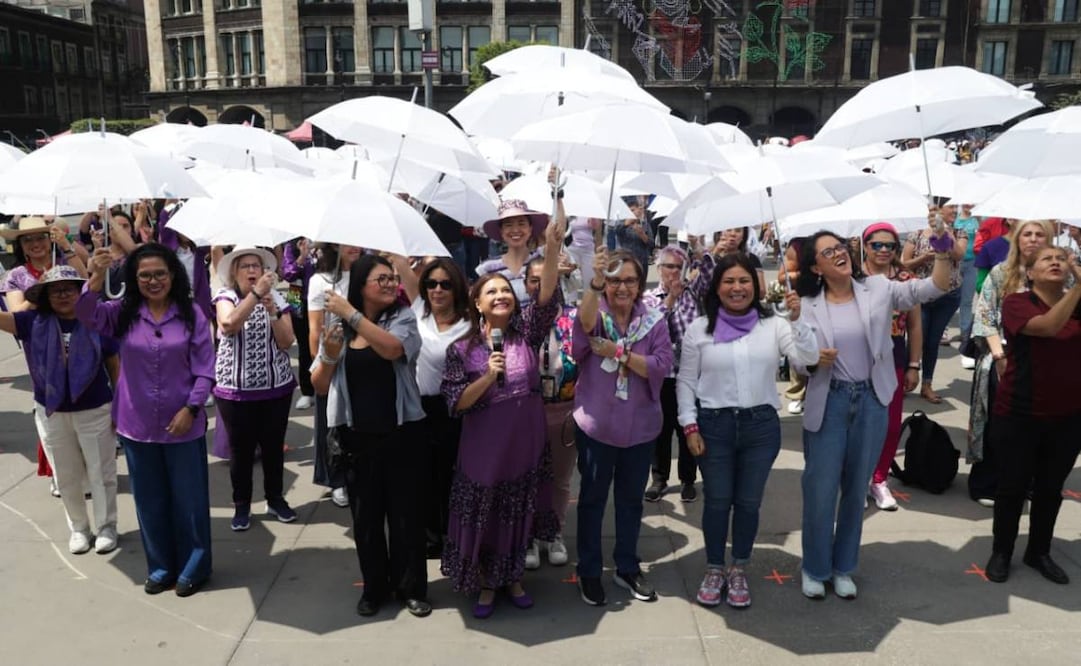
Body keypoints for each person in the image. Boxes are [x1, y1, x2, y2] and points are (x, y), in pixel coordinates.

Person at [793, 229, 954, 600]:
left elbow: (933, 288)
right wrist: (813, 359)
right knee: (819, 490)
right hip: (829, 401)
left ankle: (843, 567)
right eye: (827, 252)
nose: (838, 254)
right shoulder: (805, 303)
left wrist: (943, 250)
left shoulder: (879, 289)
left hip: (870, 401)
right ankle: (815, 568)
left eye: (840, 247)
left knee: (855, 491)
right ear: (816, 267)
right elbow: (798, 366)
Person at [440, 209, 565, 619]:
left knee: (520, 508)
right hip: (484, 446)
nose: (501, 297)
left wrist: (551, 246)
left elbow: (545, 295)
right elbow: (455, 403)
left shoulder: (526, 332)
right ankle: (487, 584)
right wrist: (487, 376)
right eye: (491, 292)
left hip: (525, 439)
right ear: (477, 302)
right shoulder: (461, 349)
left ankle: (514, 578)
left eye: (506, 292)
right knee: (488, 512)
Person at [78, 243, 215, 597]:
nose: (153, 281)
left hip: (183, 424)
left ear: (173, 276)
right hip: (137, 425)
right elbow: (85, 313)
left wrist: (191, 409)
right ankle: (161, 566)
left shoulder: (192, 315)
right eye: (144, 275)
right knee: (149, 501)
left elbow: (205, 369)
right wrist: (94, 277)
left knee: (190, 501)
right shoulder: (122, 313)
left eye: (159, 274)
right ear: (133, 279)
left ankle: (194, 566)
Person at [678, 254, 814, 608]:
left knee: (749, 503)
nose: (736, 288)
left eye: (744, 281)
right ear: (716, 287)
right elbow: (685, 381)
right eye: (729, 281)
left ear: (755, 287)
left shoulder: (775, 325)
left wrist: (799, 320)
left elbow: (805, 362)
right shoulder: (700, 329)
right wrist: (689, 424)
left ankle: (738, 568)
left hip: (761, 428)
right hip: (713, 426)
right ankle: (714, 567)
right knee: (718, 500)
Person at [312, 254, 431, 618]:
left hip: (401, 432)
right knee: (366, 520)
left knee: (406, 517)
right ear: (361, 285)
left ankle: (411, 588)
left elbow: (394, 349)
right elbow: (318, 385)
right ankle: (375, 589)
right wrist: (330, 357)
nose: (390, 284)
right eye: (381, 279)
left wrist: (351, 313)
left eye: (392, 278)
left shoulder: (403, 318)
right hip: (356, 438)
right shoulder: (339, 325)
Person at [573, 248, 674, 606]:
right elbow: (583, 330)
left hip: (641, 428)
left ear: (640, 283)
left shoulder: (654, 320)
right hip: (597, 427)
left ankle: (627, 567)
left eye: (630, 280)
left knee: (631, 502)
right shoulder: (596, 314)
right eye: (615, 280)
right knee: (592, 501)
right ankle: (588, 569)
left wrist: (619, 353)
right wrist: (595, 282)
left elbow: (662, 363)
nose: (622, 287)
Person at [0, 266, 120, 554]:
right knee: (65, 474)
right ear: (45, 296)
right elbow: (4, 320)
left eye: (70, 288)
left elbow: (115, 365)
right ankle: (79, 528)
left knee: (101, 472)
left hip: (95, 408)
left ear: (81, 292)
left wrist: (119, 404)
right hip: (51, 410)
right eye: (55, 290)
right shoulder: (32, 321)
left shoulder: (96, 319)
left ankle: (106, 526)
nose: (64, 295)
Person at [984, 245, 1081, 584]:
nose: (1056, 262)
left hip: (1068, 416)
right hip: (1020, 414)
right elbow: (1047, 327)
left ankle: (1039, 551)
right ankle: (1002, 551)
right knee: (1012, 487)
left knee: (1051, 488)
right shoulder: (1017, 303)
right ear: (1029, 272)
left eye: (1061, 259)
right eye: (1046, 259)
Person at [968, 220, 1056, 507]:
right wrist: (998, 357)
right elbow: (984, 317)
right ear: (1017, 239)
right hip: (1002, 356)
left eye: (1039, 234)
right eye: (1026, 234)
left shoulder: (1060, 277)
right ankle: (988, 482)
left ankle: (1027, 482)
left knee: (1036, 426)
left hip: (1045, 363)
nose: (1032, 239)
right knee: (998, 423)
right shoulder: (1001, 273)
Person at [2, 217, 89, 497]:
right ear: (21, 246)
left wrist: (66, 247)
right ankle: (59, 472)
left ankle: (87, 473)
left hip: (79, 338)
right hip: (40, 347)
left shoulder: (63, 262)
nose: (36, 244)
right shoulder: (15, 276)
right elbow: (18, 313)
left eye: (41, 238)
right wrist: (44, 288)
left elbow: (87, 283)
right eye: (29, 240)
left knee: (86, 403)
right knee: (51, 406)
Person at [213, 247, 298, 531]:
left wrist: (273, 311)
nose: (252, 271)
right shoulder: (226, 298)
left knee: (274, 447)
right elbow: (228, 324)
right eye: (245, 266)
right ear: (234, 273)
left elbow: (287, 342)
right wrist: (254, 296)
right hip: (236, 389)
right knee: (242, 451)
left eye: (257, 266)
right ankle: (242, 505)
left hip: (276, 386)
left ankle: (275, 498)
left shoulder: (279, 298)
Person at [395, 256, 471, 558]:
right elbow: (403, 269)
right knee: (422, 474)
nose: (437, 290)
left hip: (454, 409)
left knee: (452, 474)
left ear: (457, 288)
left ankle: (452, 533)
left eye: (445, 284)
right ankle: (429, 536)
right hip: (418, 406)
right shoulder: (417, 312)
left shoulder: (470, 323)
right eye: (431, 284)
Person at [641, 244, 719, 503]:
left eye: (679, 266)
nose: (674, 272)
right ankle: (659, 478)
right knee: (659, 430)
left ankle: (688, 479)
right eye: (669, 266)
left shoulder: (694, 293)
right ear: (659, 268)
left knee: (689, 426)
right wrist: (671, 300)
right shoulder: (649, 298)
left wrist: (702, 253)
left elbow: (709, 272)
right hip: (662, 375)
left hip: (691, 372)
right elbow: (649, 331)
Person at [860, 223, 923, 512]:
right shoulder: (852, 276)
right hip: (857, 355)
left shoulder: (906, 278)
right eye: (877, 245)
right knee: (856, 422)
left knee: (890, 421)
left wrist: (914, 364)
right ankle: (856, 480)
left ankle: (879, 478)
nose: (884, 250)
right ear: (865, 245)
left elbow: (914, 324)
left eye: (890, 246)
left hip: (894, 352)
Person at [523, 254, 579, 570]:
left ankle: (553, 532)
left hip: (564, 409)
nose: (543, 284)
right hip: (527, 411)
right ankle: (529, 536)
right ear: (526, 283)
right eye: (535, 279)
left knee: (559, 479)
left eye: (549, 278)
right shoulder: (518, 319)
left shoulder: (574, 318)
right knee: (528, 477)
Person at [308, 243, 362, 507]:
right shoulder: (320, 281)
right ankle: (336, 479)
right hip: (331, 357)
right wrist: (320, 363)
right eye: (348, 241)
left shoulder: (367, 274)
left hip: (361, 355)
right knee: (330, 421)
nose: (355, 246)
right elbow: (314, 328)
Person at [900, 205, 968, 404]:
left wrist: (943, 232)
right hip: (920, 296)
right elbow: (905, 263)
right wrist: (924, 257)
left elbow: (958, 255)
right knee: (916, 338)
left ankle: (927, 384)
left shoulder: (959, 232)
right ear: (936, 210)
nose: (954, 212)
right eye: (951, 208)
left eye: (956, 208)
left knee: (933, 341)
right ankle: (907, 378)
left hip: (948, 296)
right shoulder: (917, 233)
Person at [475, 199, 548, 304]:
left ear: (530, 228)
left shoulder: (542, 262)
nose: (515, 230)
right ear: (501, 231)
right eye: (508, 225)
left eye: (521, 224)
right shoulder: (487, 268)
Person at [280, 238, 315, 410]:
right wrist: (302, 256)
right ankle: (307, 391)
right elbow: (287, 274)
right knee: (304, 345)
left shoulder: (326, 242)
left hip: (321, 297)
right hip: (296, 296)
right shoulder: (292, 245)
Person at [954, 205, 980, 368]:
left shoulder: (977, 220)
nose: (969, 204)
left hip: (972, 262)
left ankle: (964, 332)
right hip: (956, 261)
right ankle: (943, 331)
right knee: (949, 296)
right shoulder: (955, 220)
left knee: (967, 299)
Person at [613, 198, 654, 273]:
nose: (632, 213)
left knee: (641, 283)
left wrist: (642, 235)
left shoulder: (644, 224)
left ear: (639, 210)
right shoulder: (621, 223)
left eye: (633, 210)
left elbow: (651, 244)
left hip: (642, 261)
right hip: (626, 260)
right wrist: (626, 223)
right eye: (629, 211)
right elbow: (616, 231)